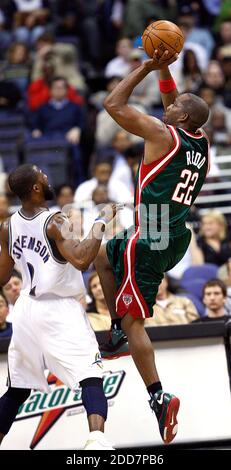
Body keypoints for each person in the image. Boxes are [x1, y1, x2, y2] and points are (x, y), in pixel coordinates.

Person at [94, 49, 210, 444]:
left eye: (174, 104)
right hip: (174, 232)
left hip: (152, 234)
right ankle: (115, 332)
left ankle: (158, 398)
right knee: (101, 255)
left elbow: (113, 103)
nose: (169, 102)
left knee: (135, 318)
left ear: (181, 118)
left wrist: (143, 66)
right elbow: (175, 100)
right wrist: (164, 66)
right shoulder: (201, 140)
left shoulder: (161, 134)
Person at [0, 163, 121, 450]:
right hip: (58, 308)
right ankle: (97, 441)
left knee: (17, 389)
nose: (45, 175)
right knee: (90, 375)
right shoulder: (56, 221)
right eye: (41, 174)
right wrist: (100, 222)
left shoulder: (7, 225)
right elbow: (82, 260)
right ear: (35, 188)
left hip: (26, 309)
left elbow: (3, 276)